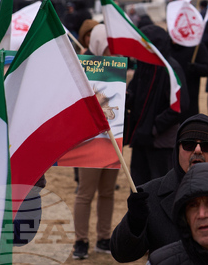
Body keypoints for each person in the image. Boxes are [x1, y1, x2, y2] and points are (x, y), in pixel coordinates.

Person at [110, 114, 208, 262]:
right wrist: (134, 222)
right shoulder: (150, 195)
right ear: (177, 148)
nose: (197, 150)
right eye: (189, 144)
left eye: (207, 145)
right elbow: (122, 254)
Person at [71, 24, 119, 260]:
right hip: (88, 141)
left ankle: (103, 237)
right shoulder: (80, 67)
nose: (112, 52)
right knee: (85, 192)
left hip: (111, 139)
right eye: (108, 47)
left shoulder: (116, 68)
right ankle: (81, 240)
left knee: (108, 191)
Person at [124, 25, 188, 186]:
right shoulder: (144, 65)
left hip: (161, 141)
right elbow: (133, 93)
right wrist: (123, 97)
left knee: (160, 186)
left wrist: (155, 127)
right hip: (140, 138)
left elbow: (180, 106)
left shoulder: (172, 69)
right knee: (138, 186)